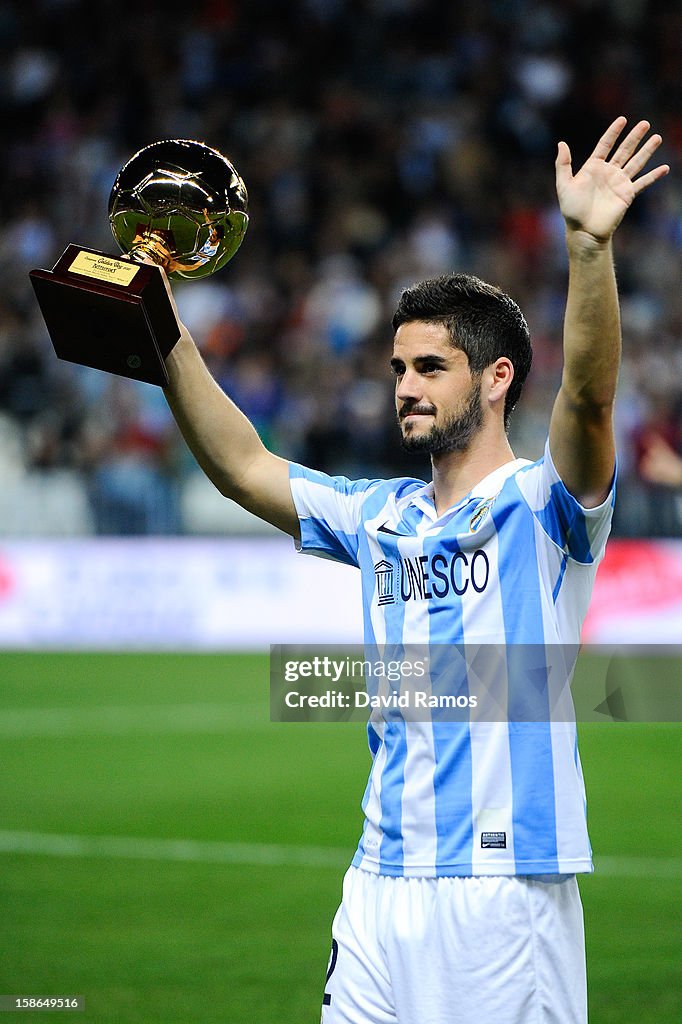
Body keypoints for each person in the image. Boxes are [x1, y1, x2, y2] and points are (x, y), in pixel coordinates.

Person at [158, 117, 668, 1023]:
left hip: (504, 892)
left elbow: (590, 398)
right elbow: (243, 467)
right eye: (398, 367)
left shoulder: (545, 507)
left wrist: (589, 249)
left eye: (432, 366)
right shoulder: (378, 515)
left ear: (498, 377)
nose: (406, 386)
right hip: (378, 884)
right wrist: (164, 331)